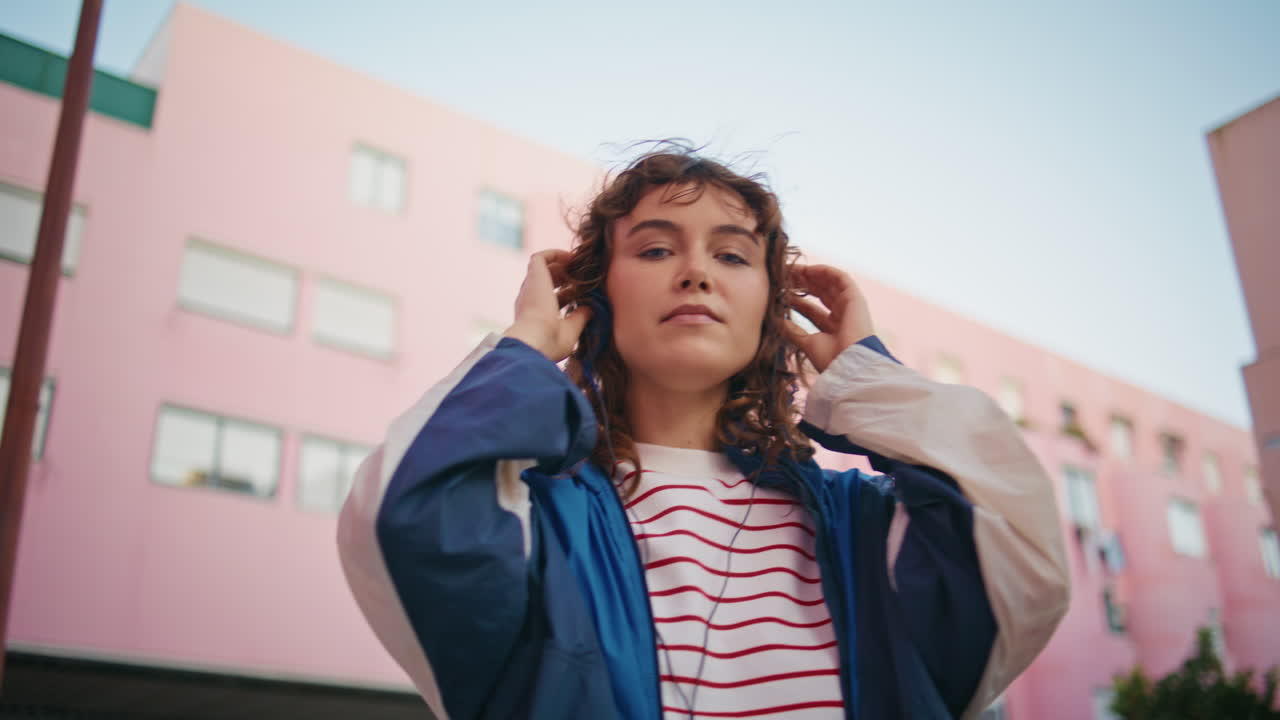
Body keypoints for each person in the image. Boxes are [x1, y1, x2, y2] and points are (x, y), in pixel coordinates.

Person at [337, 148, 1070, 720]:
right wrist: (526, 348)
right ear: (593, 296)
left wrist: (865, 378)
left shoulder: (867, 525)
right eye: (655, 250)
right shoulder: (535, 524)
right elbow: (401, 517)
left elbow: (1021, 547)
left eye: (732, 255)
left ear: (772, 309)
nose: (695, 273)